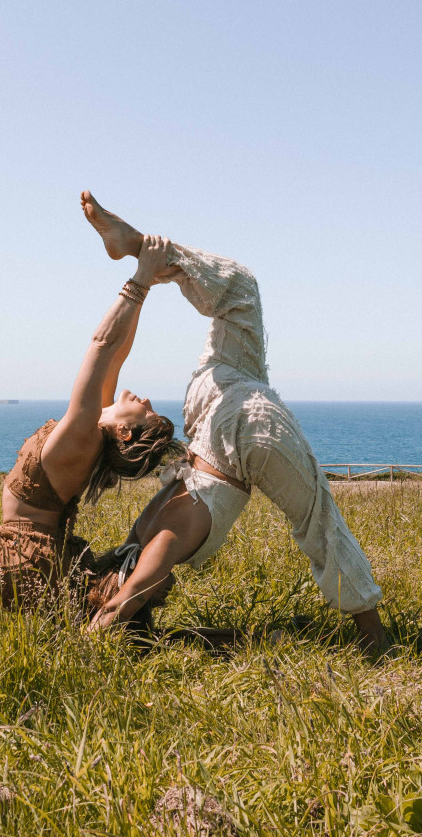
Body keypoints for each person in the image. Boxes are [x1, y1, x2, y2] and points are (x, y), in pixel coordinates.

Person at [80, 192, 388, 652]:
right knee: (240, 290)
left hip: (220, 415)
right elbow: (126, 600)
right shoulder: (155, 542)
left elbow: (129, 592)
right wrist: (98, 628)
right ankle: (376, 641)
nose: (129, 396)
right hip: (241, 426)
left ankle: (144, 244)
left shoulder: (139, 539)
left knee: (241, 290)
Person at [0, 234, 177, 632]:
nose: (145, 399)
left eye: (147, 412)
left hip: (25, 563)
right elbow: (116, 352)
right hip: (41, 564)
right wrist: (146, 291)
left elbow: (100, 345)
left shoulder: (84, 434)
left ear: (127, 434)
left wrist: (141, 279)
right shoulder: (94, 426)